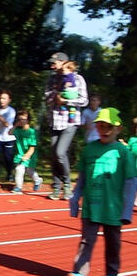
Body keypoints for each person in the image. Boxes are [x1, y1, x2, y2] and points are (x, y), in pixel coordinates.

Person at [66, 107, 136, 276]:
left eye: (108, 127)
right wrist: (75, 199)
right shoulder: (89, 150)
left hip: (113, 208)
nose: (104, 130)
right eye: (100, 126)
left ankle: (112, 272)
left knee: (113, 242)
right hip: (91, 205)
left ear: (118, 129)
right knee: (86, 240)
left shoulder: (123, 152)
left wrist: (127, 209)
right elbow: (82, 178)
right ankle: (79, 274)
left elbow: (130, 182)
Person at [44, 51, 88, 200]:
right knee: (54, 155)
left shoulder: (78, 78)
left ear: (63, 62)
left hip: (70, 121)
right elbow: (47, 97)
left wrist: (66, 101)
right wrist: (55, 97)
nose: (52, 65)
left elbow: (84, 100)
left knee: (60, 153)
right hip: (54, 121)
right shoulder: (51, 79)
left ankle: (67, 185)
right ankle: (56, 188)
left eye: (54, 62)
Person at [11, 109, 43, 193]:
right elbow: (9, 132)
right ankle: (18, 187)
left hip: (30, 155)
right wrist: (15, 125)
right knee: (19, 169)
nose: (21, 121)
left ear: (28, 120)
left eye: (23, 119)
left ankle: (37, 180)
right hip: (19, 154)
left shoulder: (32, 132)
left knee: (30, 172)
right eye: (19, 119)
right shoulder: (17, 130)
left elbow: (32, 146)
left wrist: (27, 155)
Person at [0, 90, 16, 182]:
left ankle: (9, 174)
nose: (2, 100)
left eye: (4, 98)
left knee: (8, 158)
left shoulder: (11, 111)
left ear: (9, 100)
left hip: (8, 137)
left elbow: (7, 124)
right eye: (1, 98)